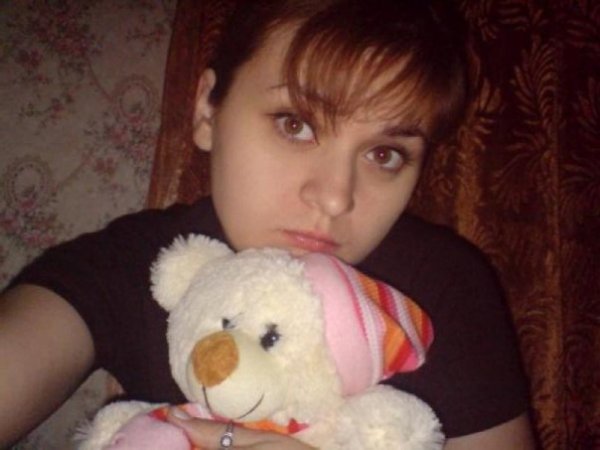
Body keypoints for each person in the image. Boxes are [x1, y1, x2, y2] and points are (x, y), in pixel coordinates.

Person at [0, 0, 536, 448]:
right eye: (295, 123)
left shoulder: (441, 287)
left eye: (384, 154)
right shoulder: (136, 262)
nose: (335, 197)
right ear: (207, 112)